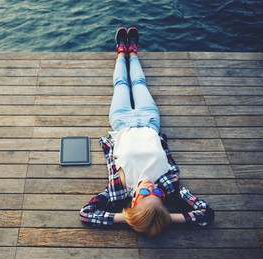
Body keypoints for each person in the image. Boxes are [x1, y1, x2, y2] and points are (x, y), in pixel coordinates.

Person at [79, 27, 214, 237]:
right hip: (150, 122)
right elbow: (205, 213)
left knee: (121, 84)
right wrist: (166, 217)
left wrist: (131, 217)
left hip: (123, 122)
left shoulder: (118, 190)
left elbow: (87, 214)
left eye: (144, 193)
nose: (151, 187)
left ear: (133, 201)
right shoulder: (171, 187)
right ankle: (132, 51)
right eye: (157, 194)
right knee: (140, 83)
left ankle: (120, 51)